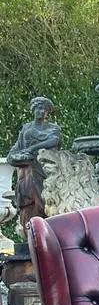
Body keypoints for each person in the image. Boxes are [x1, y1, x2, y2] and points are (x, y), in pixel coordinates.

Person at [7, 96, 63, 227]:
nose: (42, 111)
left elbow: (54, 141)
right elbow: (14, 152)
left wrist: (32, 149)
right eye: (39, 108)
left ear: (48, 112)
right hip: (26, 174)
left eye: (45, 109)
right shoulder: (26, 129)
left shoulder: (53, 129)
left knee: (49, 206)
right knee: (28, 208)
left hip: (47, 173)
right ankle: (30, 236)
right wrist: (14, 156)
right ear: (33, 110)